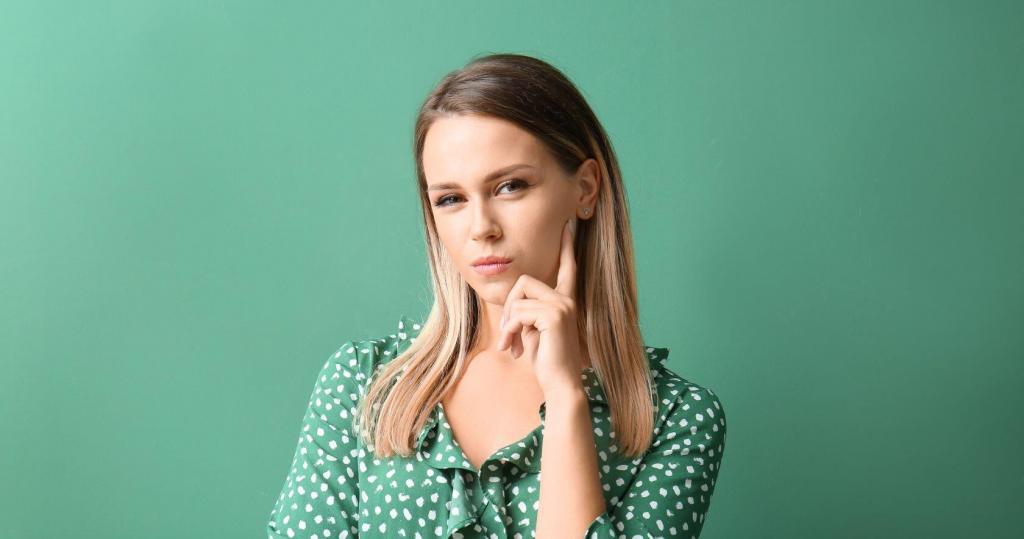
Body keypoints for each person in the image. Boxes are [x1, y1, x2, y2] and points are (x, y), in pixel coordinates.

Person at [267, 53, 726, 539]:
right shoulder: (364, 385)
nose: (481, 228)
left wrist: (565, 397)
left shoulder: (676, 419)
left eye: (510, 186)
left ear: (586, 189)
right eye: (451, 199)